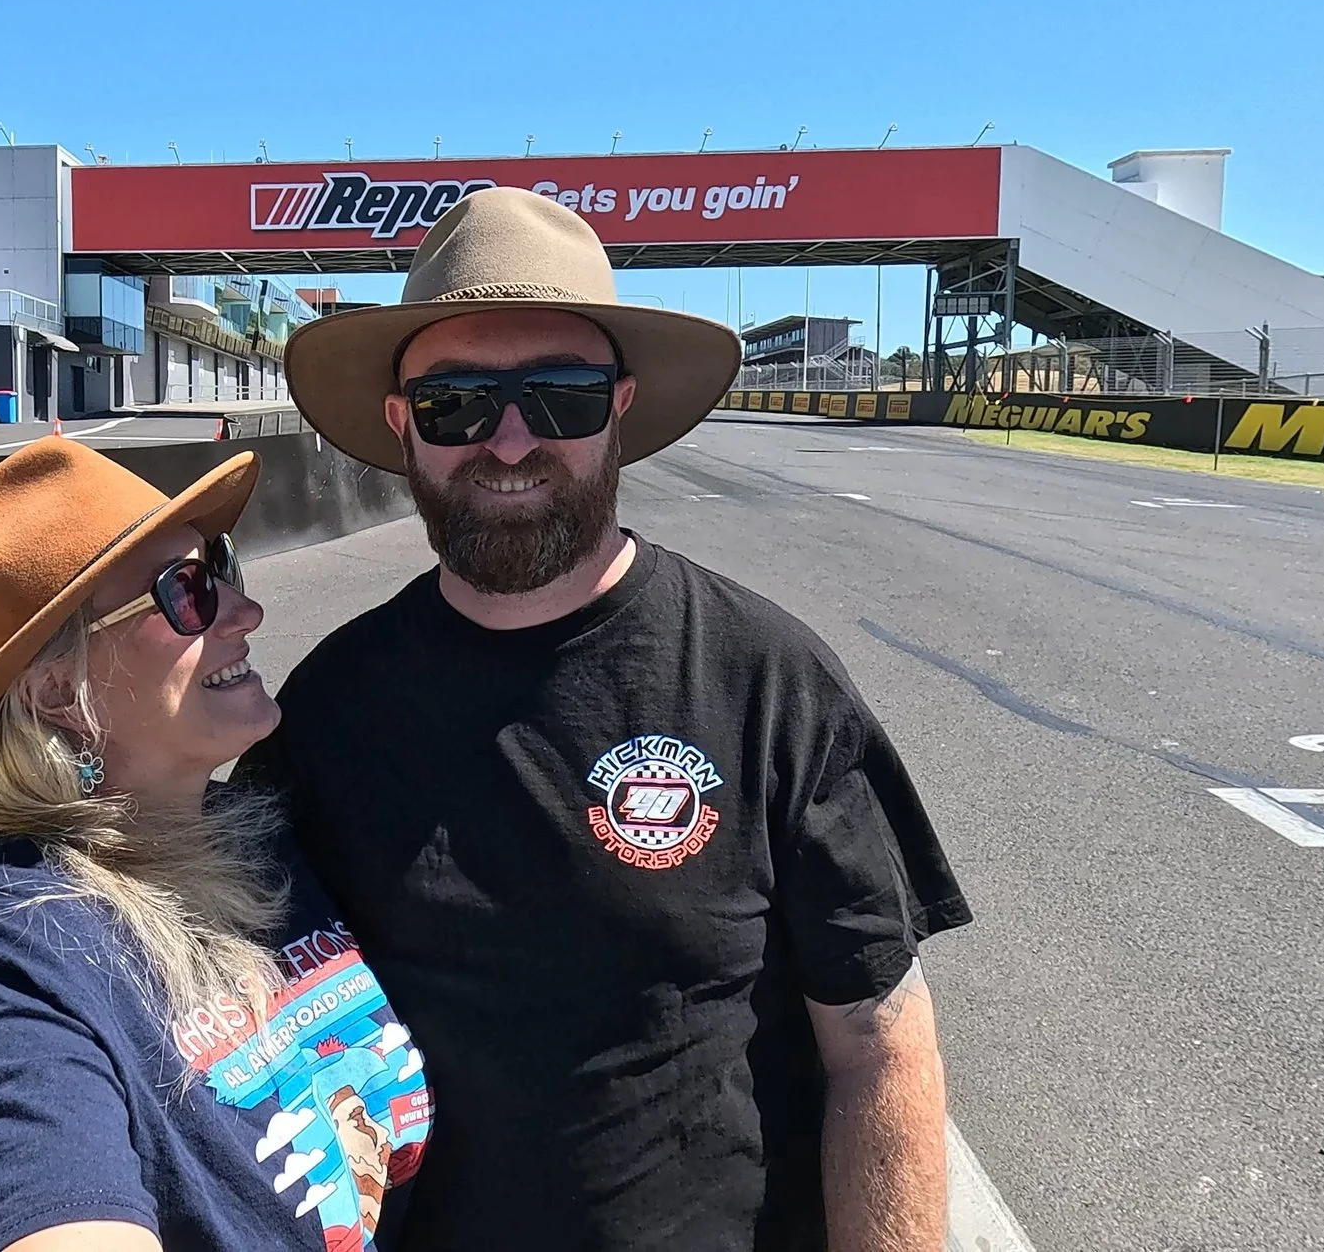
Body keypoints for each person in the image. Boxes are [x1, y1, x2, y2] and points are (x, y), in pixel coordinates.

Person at [237, 187, 972, 1251]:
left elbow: (880, 1046)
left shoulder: (767, 678)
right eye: (456, 404)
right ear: (402, 426)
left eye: (561, 396)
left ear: (619, 407)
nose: (509, 439)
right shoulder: (325, 711)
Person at [0, 439, 432, 1252]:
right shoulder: (7, 972)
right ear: (57, 691)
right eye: (185, 593)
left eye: (222, 566)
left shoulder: (261, 831)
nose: (244, 612)